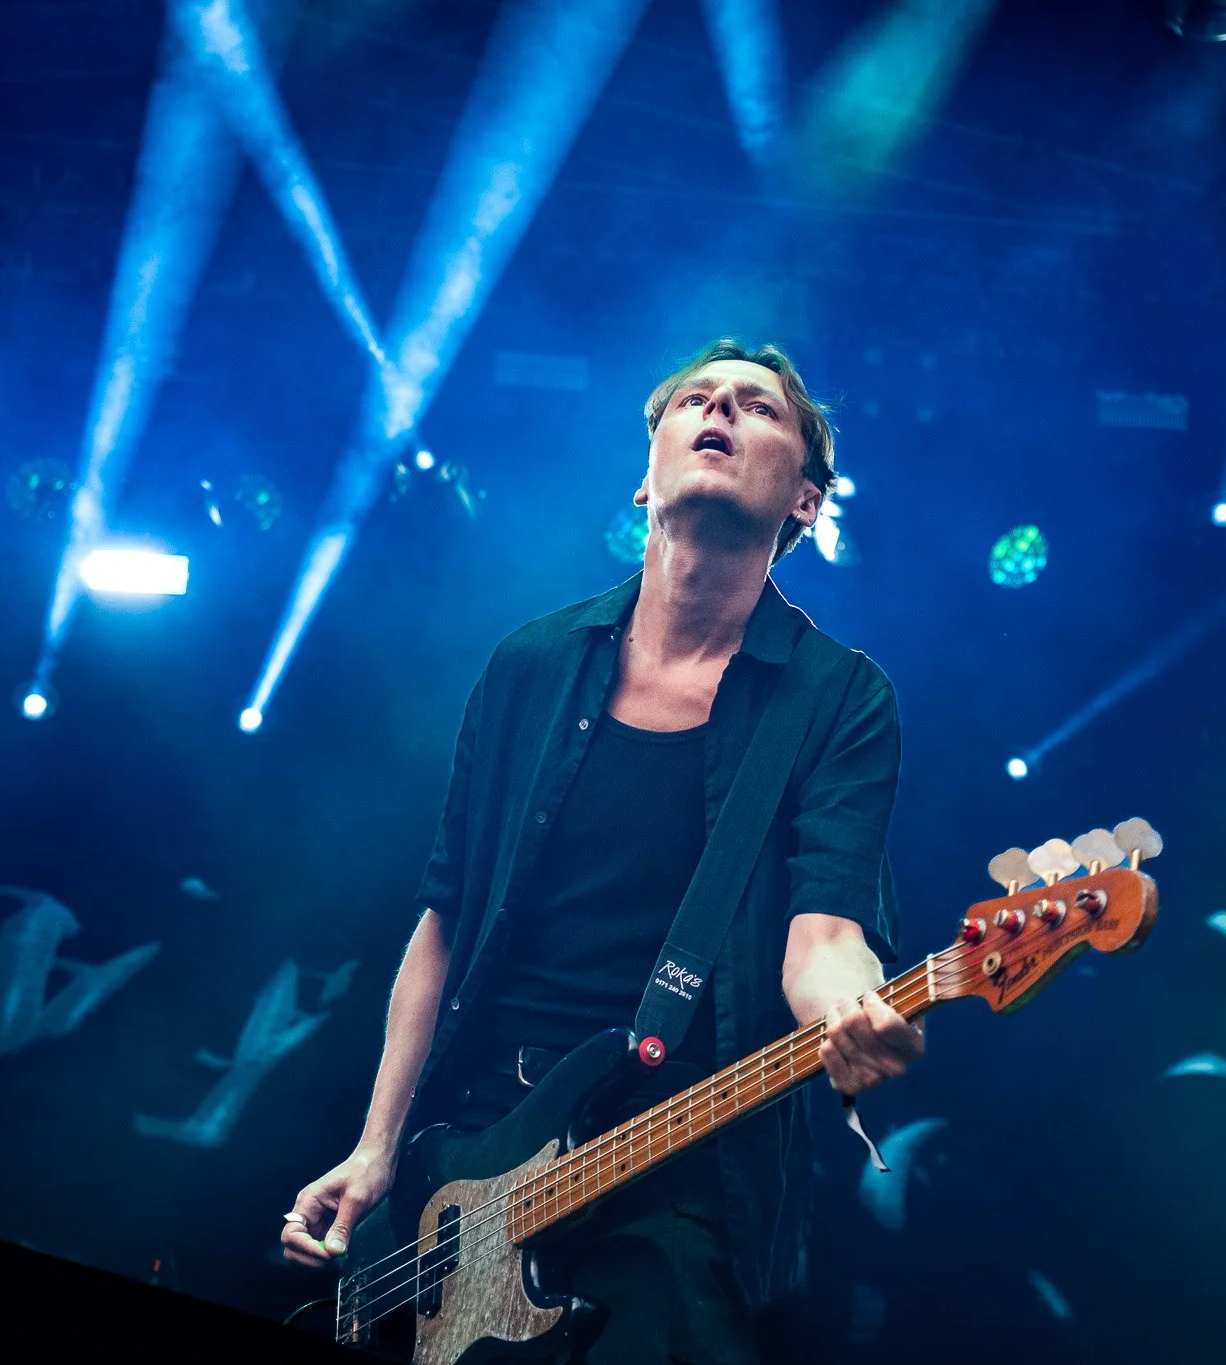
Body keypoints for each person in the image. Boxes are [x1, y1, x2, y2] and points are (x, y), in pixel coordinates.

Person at [280, 339, 921, 1363]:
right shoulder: (529, 665)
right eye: (696, 400)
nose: (719, 411)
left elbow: (826, 931)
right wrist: (375, 1150)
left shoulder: (838, 698)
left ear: (805, 500)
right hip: (472, 1147)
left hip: (678, 1161)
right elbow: (441, 926)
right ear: (646, 471)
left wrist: (849, 1009)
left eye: (757, 408)